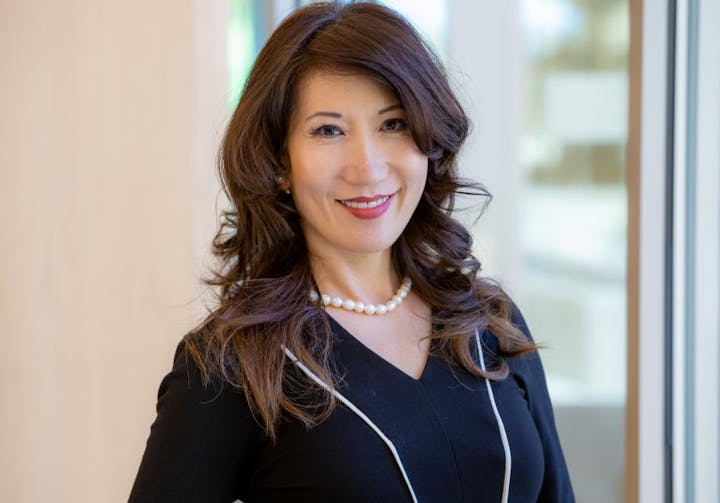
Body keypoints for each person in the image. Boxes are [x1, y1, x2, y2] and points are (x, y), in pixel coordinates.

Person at [129, 2, 574, 502]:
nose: (367, 167)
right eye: (328, 131)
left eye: (393, 124)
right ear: (280, 161)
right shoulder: (231, 365)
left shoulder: (488, 324)